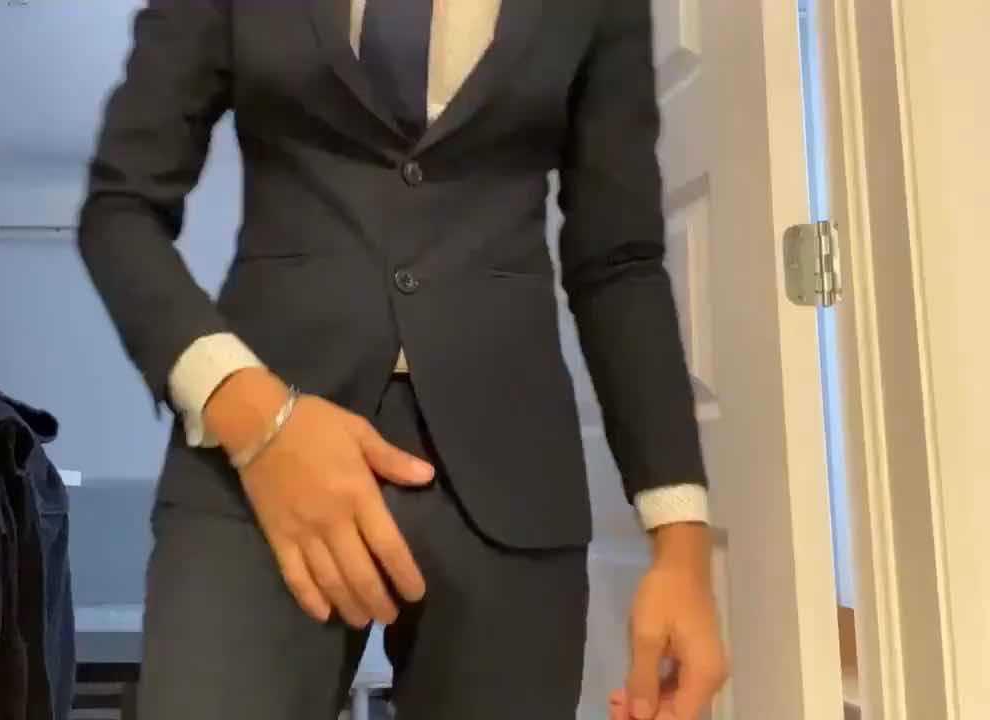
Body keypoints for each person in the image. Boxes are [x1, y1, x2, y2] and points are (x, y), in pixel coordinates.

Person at [78, 0, 728, 718]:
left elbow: (620, 261)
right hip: (257, 469)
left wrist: (681, 544)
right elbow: (120, 208)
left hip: (512, 481)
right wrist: (255, 415)